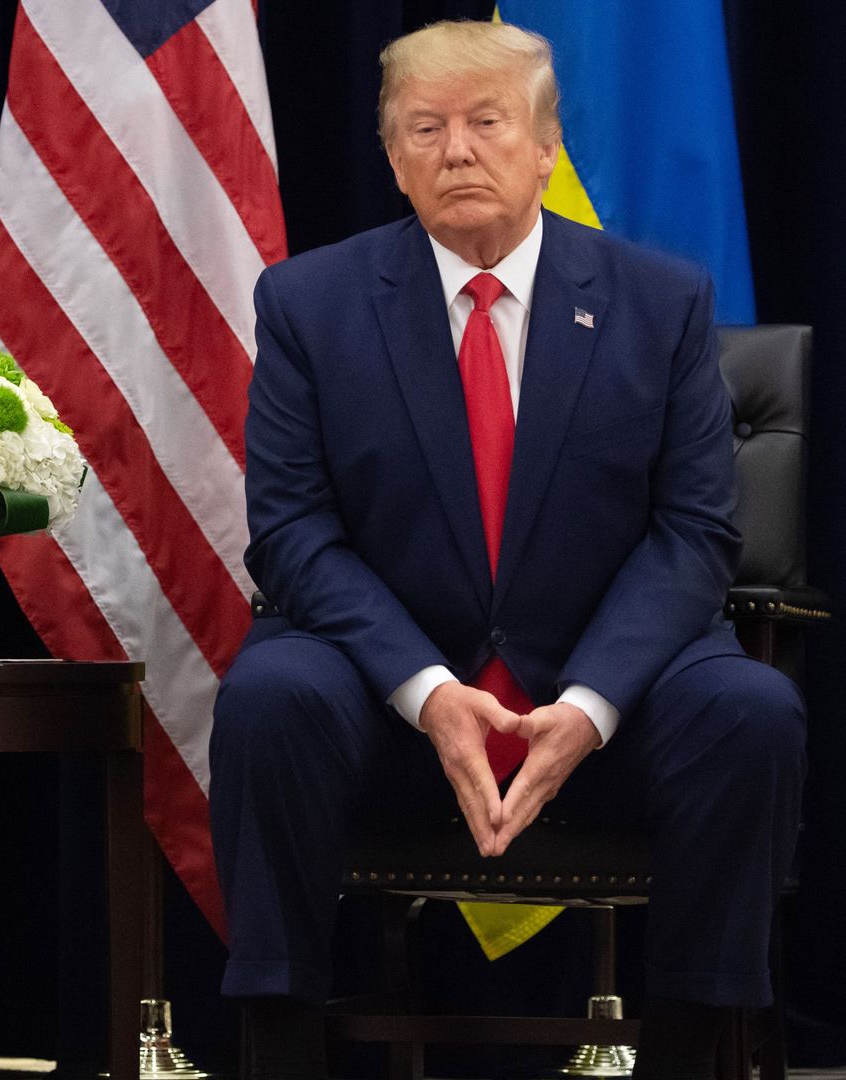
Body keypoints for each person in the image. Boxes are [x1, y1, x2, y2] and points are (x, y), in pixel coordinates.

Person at [209, 20, 803, 1080]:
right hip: (389, 707)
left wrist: (586, 707)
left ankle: (694, 1049)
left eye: (487, 123)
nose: (457, 152)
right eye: (424, 128)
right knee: (270, 697)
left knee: (751, 714)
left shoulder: (661, 303)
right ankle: (278, 1046)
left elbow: (694, 533)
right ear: (393, 157)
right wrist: (429, 692)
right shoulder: (310, 304)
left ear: (544, 146)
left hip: (606, 706)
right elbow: (293, 533)